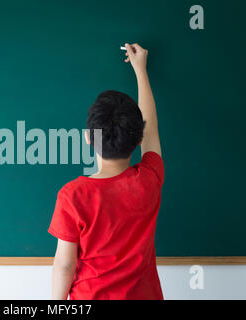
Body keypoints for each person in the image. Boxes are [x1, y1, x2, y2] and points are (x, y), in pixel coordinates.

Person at [48, 43, 164, 300]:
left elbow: (65, 265)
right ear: (138, 139)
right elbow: (151, 128)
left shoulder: (73, 196)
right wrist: (141, 71)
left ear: (88, 139)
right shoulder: (149, 180)